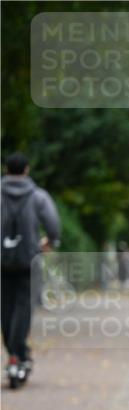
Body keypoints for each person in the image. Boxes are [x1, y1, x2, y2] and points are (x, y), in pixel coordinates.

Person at [1, 152, 60, 388]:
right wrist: (49, 243)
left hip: (2, 261)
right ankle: (19, 353)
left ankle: (15, 354)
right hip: (28, 260)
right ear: (26, 170)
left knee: (5, 307)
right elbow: (53, 225)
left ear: (6, 169)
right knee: (23, 307)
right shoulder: (38, 196)